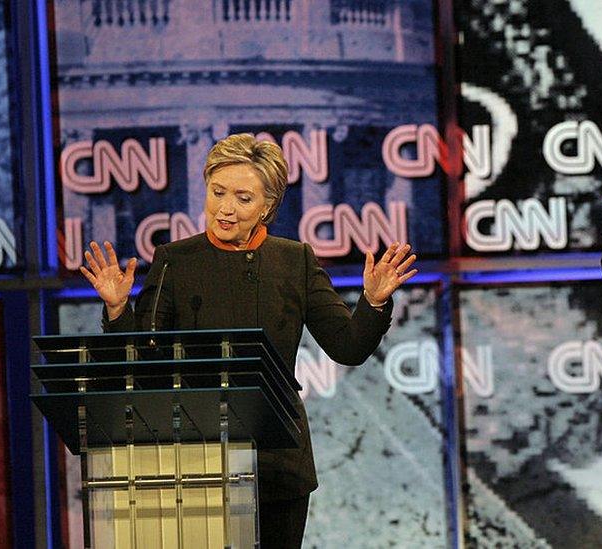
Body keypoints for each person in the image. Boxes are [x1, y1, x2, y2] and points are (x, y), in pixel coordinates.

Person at [79, 133, 418, 547]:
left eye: (243, 198)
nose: (225, 208)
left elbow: (347, 346)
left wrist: (373, 301)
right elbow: (141, 363)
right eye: (217, 192)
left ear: (267, 206)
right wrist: (118, 310)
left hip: (277, 463)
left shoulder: (294, 261)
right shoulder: (175, 261)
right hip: (195, 460)